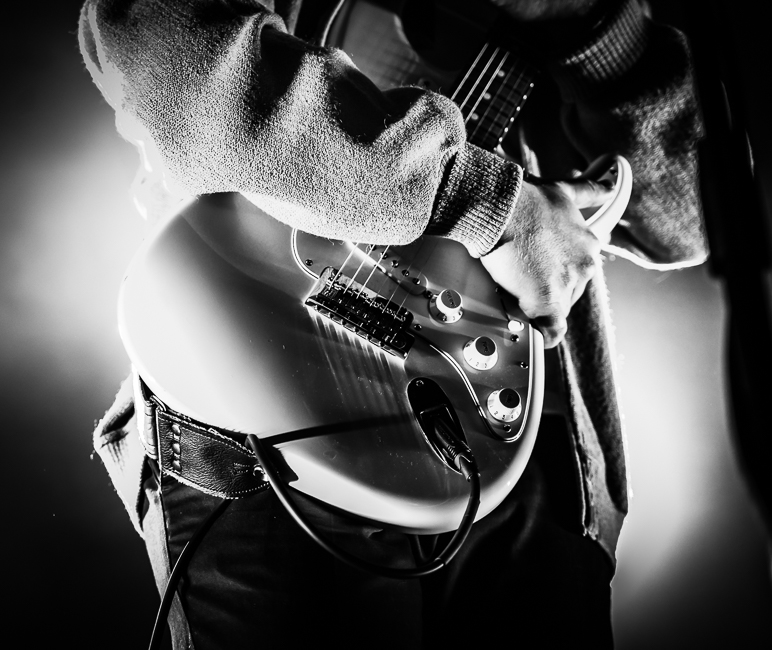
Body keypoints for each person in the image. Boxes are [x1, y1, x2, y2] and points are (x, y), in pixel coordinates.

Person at [80, 0, 707, 647]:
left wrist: (591, 26)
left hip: (525, 445)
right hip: (267, 397)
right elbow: (175, 63)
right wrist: (488, 204)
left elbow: (694, 218)